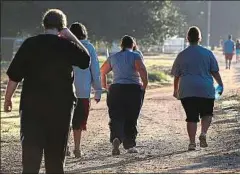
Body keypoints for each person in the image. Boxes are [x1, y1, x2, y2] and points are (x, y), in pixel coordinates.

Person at [3, 9, 90, 173]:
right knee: (56, 158)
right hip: (61, 108)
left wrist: (8, 99)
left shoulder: (30, 44)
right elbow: (86, 61)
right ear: (62, 27)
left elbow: (14, 76)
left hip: (32, 108)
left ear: (44, 25)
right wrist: (71, 36)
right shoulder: (67, 45)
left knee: (30, 158)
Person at [171, 26, 224, 151]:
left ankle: (192, 143)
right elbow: (215, 72)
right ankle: (203, 133)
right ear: (200, 38)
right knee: (207, 113)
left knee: (191, 116)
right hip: (205, 88)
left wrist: (175, 90)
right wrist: (221, 84)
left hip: (187, 89)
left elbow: (176, 75)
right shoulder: (208, 53)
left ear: (187, 38)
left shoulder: (182, 55)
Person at [101, 35, 148, 155]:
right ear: (133, 45)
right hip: (132, 89)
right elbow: (142, 70)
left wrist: (105, 85)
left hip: (116, 89)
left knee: (116, 116)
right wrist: (144, 84)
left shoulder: (113, 57)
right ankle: (130, 144)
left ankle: (116, 138)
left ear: (121, 45)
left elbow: (102, 71)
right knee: (131, 117)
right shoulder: (135, 56)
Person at [66, 22, 102, 158]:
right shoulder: (89, 47)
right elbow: (95, 70)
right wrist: (98, 90)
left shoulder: (65, 46)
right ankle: (77, 148)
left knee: (65, 120)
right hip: (83, 91)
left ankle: (66, 146)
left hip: (65, 90)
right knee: (78, 121)